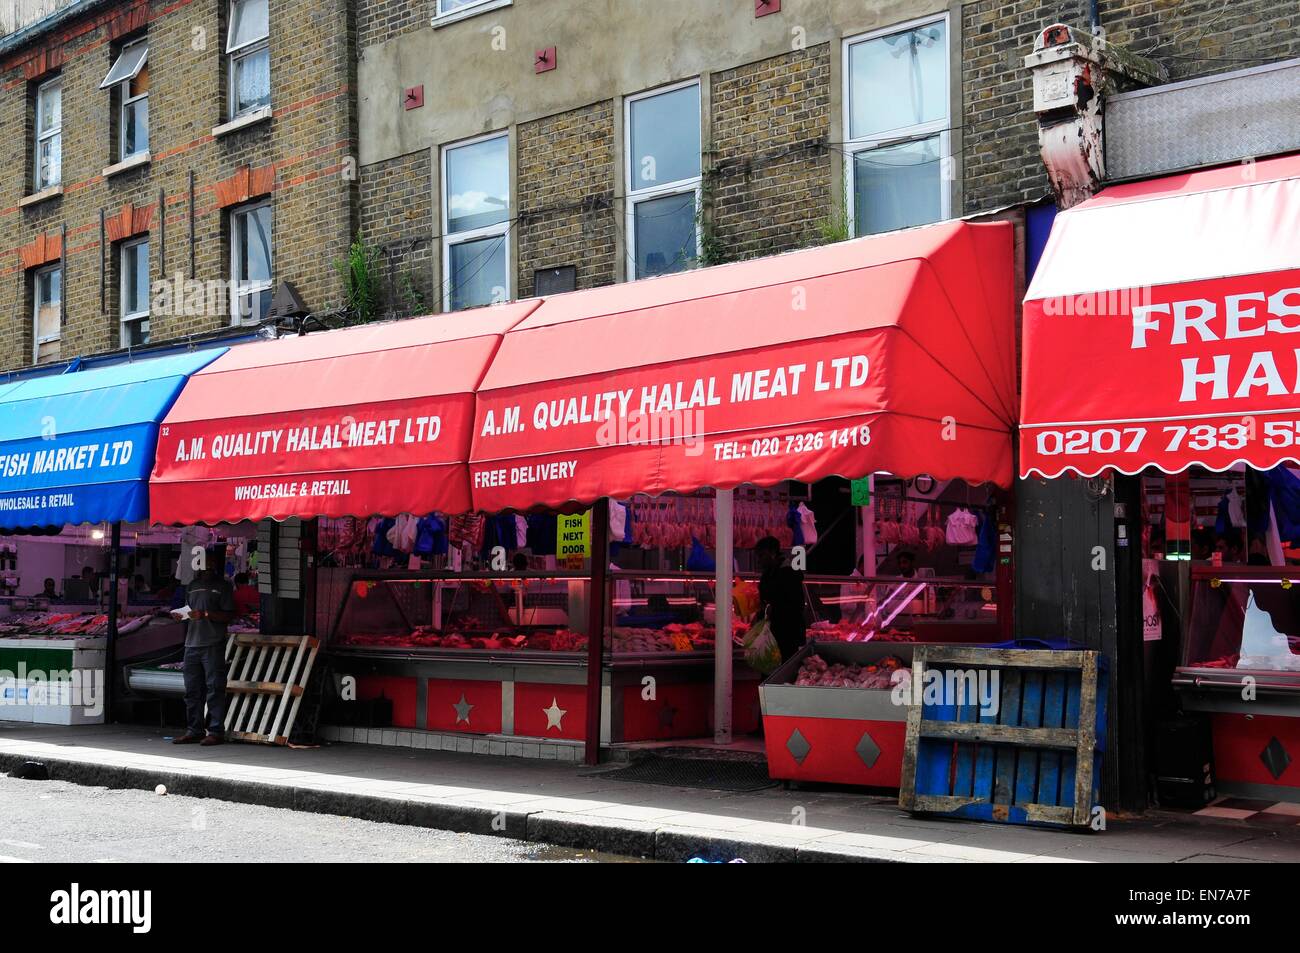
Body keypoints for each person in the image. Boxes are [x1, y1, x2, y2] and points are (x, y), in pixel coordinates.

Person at [172, 550, 236, 746]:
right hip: (191, 643)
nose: (206, 568)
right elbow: (188, 611)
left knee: (214, 688)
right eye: (202, 565)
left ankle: (216, 731)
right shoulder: (191, 586)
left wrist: (207, 614)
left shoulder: (223, 587)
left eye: (209, 565)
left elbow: (228, 615)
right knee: (192, 690)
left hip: (212, 643)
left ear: (214, 565)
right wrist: (181, 615)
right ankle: (194, 729)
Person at [754, 535, 806, 662]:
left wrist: (771, 610)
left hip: (786, 635)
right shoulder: (770, 573)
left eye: (761, 556)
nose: (759, 561)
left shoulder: (788, 573)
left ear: (772, 553)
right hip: (773, 634)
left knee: (782, 671)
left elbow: (795, 606)